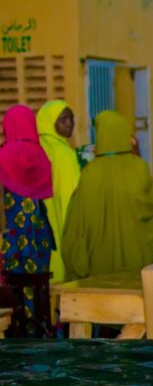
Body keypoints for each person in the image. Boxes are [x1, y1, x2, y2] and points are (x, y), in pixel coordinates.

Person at [62, 111, 153, 281]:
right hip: (136, 256)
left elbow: (77, 219)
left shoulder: (89, 172)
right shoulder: (139, 167)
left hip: (98, 260)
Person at [0, 105, 55, 335]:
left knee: (13, 287)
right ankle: (38, 329)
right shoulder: (41, 155)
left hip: (12, 235)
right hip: (38, 236)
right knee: (37, 285)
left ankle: (17, 331)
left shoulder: (3, 155)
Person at [36, 100, 80, 283]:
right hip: (63, 217)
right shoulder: (64, 153)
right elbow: (72, 194)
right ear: (50, 122)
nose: (69, 123)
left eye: (71, 118)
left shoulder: (38, 147)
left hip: (43, 222)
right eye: (63, 119)